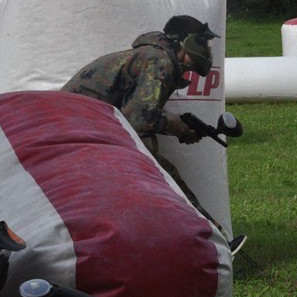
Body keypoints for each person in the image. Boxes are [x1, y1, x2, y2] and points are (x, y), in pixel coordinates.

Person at [61, 15, 247, 255]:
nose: (206, 49)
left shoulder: (155, 57)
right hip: (76, 133)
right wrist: (174, 125)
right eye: (202, 42)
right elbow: (138, 121)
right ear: (185, 42)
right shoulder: (160, 62)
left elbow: (133, 114)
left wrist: (175, 126)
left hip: (79, 131)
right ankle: (214, 245)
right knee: (164, 177)